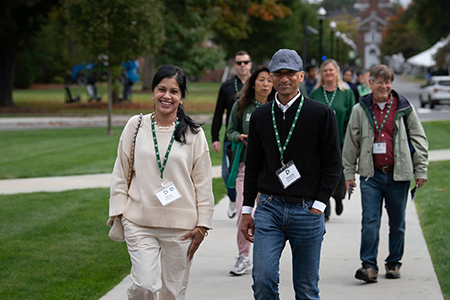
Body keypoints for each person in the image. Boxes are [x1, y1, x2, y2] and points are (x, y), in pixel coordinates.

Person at [241, 49, 342, 300]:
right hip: (269, 208)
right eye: (278, 73)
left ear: (300, 76)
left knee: (306, 290)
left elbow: (333, 164)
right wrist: (245, 210)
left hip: (307, 210)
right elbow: (252, 164)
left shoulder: (321, 114)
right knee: (263, 281)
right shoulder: (260, 116)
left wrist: (319, 204)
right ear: (271, 77)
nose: (283, 79)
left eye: (289, 73)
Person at [108, 64, 214, 299]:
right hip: (139, 220)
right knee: (144, 286)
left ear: (182, 96)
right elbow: (120, 171)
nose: (167, 96)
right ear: (152, 92)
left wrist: (203, 225)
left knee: (172, 293)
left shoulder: (194, 134)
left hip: (181, 227)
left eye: (174, 91)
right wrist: (119, 212)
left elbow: (203, 183)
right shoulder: (135, 126)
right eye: (161, 89)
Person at [343, 65, 428, 283]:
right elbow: (351, 143)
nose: (384, 86)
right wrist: (349, 174)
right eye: (379, 81)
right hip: (371, 176)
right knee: (370, 221)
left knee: (397, 223)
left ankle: (393, 263)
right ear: (370, 83)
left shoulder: (404, 107)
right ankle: (369, 266)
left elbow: (419, 139)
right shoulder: (360, 108)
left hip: (398, 176)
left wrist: (421, 170)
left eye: (388, 81)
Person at [226, 66, 276, 276]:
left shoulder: (277, 107)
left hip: (271, 171)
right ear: (253, 82)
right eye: (261, 80)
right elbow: (230, 131)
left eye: (269, 80)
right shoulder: (241, 106)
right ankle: (244, 256)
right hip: (245, 169)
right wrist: (239, 137)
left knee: (267, 216)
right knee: (243, 211)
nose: (266, 84)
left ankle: (266, 258)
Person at [309, 59, 356, 221]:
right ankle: (325, 208)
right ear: (321, 74)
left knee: (339, 175)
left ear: (337, 72)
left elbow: (352, 119)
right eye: (325, 70)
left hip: (342, 140)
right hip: (320, 142)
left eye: (331, 70)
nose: (328, 73)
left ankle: (338, 196)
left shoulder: (347, 93)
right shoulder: (315, 94)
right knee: (322, 174)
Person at [212, 51, 252, 219]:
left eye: (245, 62)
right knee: (227, 174)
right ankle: (233, 198)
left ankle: (248, 208)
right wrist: (215, 137)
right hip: (232, 138)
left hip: (252, 140)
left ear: (250, 64)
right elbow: (218, 112)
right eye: (239, 62)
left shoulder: (258, 84)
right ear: (235, 65)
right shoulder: (227, 86)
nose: (242, 65)